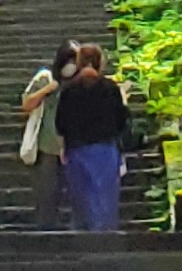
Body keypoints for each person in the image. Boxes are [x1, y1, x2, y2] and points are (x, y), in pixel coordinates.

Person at [53, 35, 132, 232]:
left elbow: (60, 123)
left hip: (77, 151)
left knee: (82, 201)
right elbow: (122, 119)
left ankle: (83, 239)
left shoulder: (69, 91)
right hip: (105, 150)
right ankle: (105, 240)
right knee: (104, 198)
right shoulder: (110, 88)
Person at [19, 40, 78, 225]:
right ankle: (46, 229)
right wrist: (46, 90)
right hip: (47, 146)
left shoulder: (79, 82)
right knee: (46, 194)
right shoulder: (45, 77)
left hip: (73, 145)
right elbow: (27, 105)